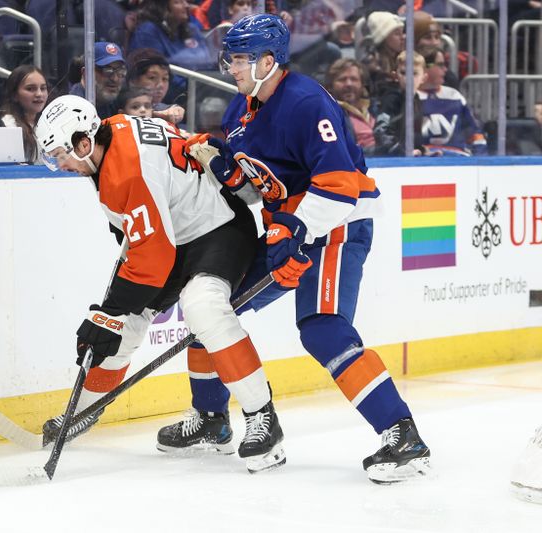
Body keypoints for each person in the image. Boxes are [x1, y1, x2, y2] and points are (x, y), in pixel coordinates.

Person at [179, 13, 431, 484]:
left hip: (335, 226)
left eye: (238, 58)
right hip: (287, 231)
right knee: (209, 309)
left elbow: (341, 185)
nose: (230, 66)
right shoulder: (241, 109)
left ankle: (402, 435)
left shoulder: (305, 101)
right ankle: (212, 421)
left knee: (322, 330)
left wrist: (293, 229)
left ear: (267, 61)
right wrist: (223, 167)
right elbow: (260, 189)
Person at [34, 94, 285, 472]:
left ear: (84, 143)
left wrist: (108, 312)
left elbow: (153, 259)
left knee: (203, 307)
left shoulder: (124, 169)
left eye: (60, 154)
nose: (61, 164)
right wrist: (113, 317)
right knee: (122, 328)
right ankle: (84, 412)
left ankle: (262, 419)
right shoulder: (110, 133)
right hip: (172, 231)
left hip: (217, 228)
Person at [417, 45, 487, 156]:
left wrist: (480, 159)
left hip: (458, 161)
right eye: (440, 65)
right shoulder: (407, 98)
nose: (445, 69)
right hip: (421, 162)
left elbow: (474, 133)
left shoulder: (454, 96)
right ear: (425, 67)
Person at [128, 0, 214, 72]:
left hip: (202, 83)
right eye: (178, 2)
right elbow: (153, 72)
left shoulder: (192, 29)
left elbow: (209, 62)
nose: (186, 5)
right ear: (162, 7)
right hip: (177, 88)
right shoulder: (148, 32)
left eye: (185, 1)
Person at [372, 50, 427, 157]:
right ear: (395, 76)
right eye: (403, 73)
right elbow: (381, 131)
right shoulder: (391, 98)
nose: (408, 78)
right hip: (388, 159)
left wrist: (422, 150)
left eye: (414, 73)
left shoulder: (416, 98)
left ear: (424, 78)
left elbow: (415, 134)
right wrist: (401, 152)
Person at [325, 58, 376, 155]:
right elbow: (342, 152)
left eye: (354, 79)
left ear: (362, 85)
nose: (348, 84)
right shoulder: (328, 114)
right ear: (330, 86)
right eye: (342, 79)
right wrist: (379, 150)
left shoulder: (375, 109)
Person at [0, 65, 48, 164]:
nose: (39, 94)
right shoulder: (8, 125)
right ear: (14, 95)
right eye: (30, 89)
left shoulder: (48, 123)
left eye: (43, 88)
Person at [126, 48, 185, 124]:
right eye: (152, 77)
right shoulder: (115, 104)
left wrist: (175, 110)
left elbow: (164, 108)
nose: (160, 85)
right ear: (133, 80)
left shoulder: (166, 111)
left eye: (165, 79)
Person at [70, 41, 127, 119]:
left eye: (120, 71)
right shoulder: (72, 109)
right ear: (86, 73)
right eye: (107, 70)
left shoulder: (116, 102)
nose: (115, 79)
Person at [360, 11, 404, 99]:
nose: (402, 37)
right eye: (397, 34)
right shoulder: (371, 64)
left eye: (402, 33)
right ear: (383, 37)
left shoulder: (402, 60)